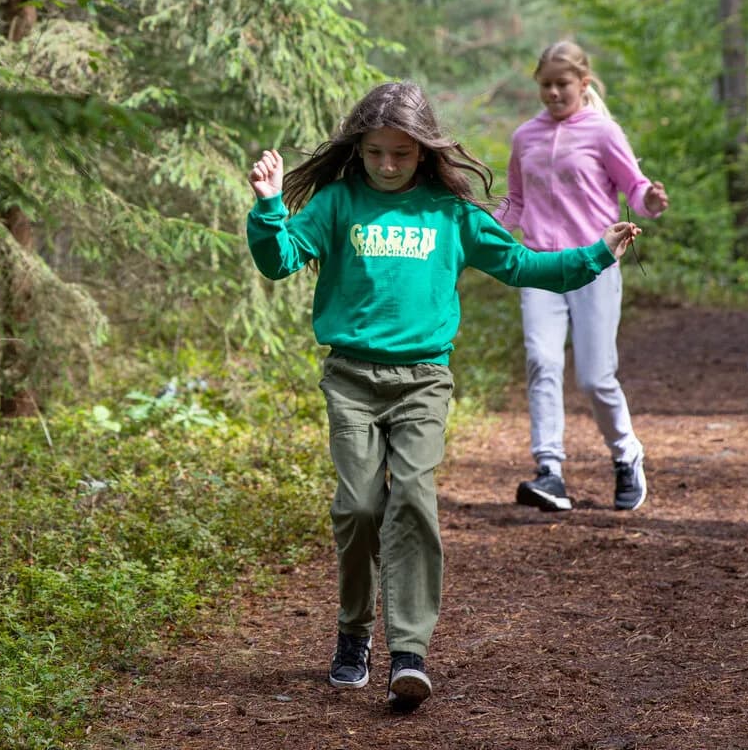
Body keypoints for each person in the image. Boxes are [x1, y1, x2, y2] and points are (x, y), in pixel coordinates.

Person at [245, 81, 641, 711]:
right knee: (358, 508)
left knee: (413, 500)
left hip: (423, 380)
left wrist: (596, 255)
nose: (387, 165)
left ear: (424, 151)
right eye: (375, 152)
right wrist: (269, 205)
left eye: (401, 154)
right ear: (359, 149)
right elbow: (279, 260)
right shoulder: (338, 203)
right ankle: (353, 632)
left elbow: (522, 265)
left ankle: (409, 651)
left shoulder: (450, 214)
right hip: (351, 379)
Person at [495, 40, 668, 513]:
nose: (553, 93)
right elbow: (515, 200)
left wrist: (651, 201)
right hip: (539, 266)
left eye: (563, 84)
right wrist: (480, 231)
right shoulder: (525, 137)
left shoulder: (603, 132)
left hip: (594, 263)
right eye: (546, 85)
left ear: (583, 83)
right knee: (542, 362)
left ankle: (626, 453)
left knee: (594, 377)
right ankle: (549, 470)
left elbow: (635, 187)